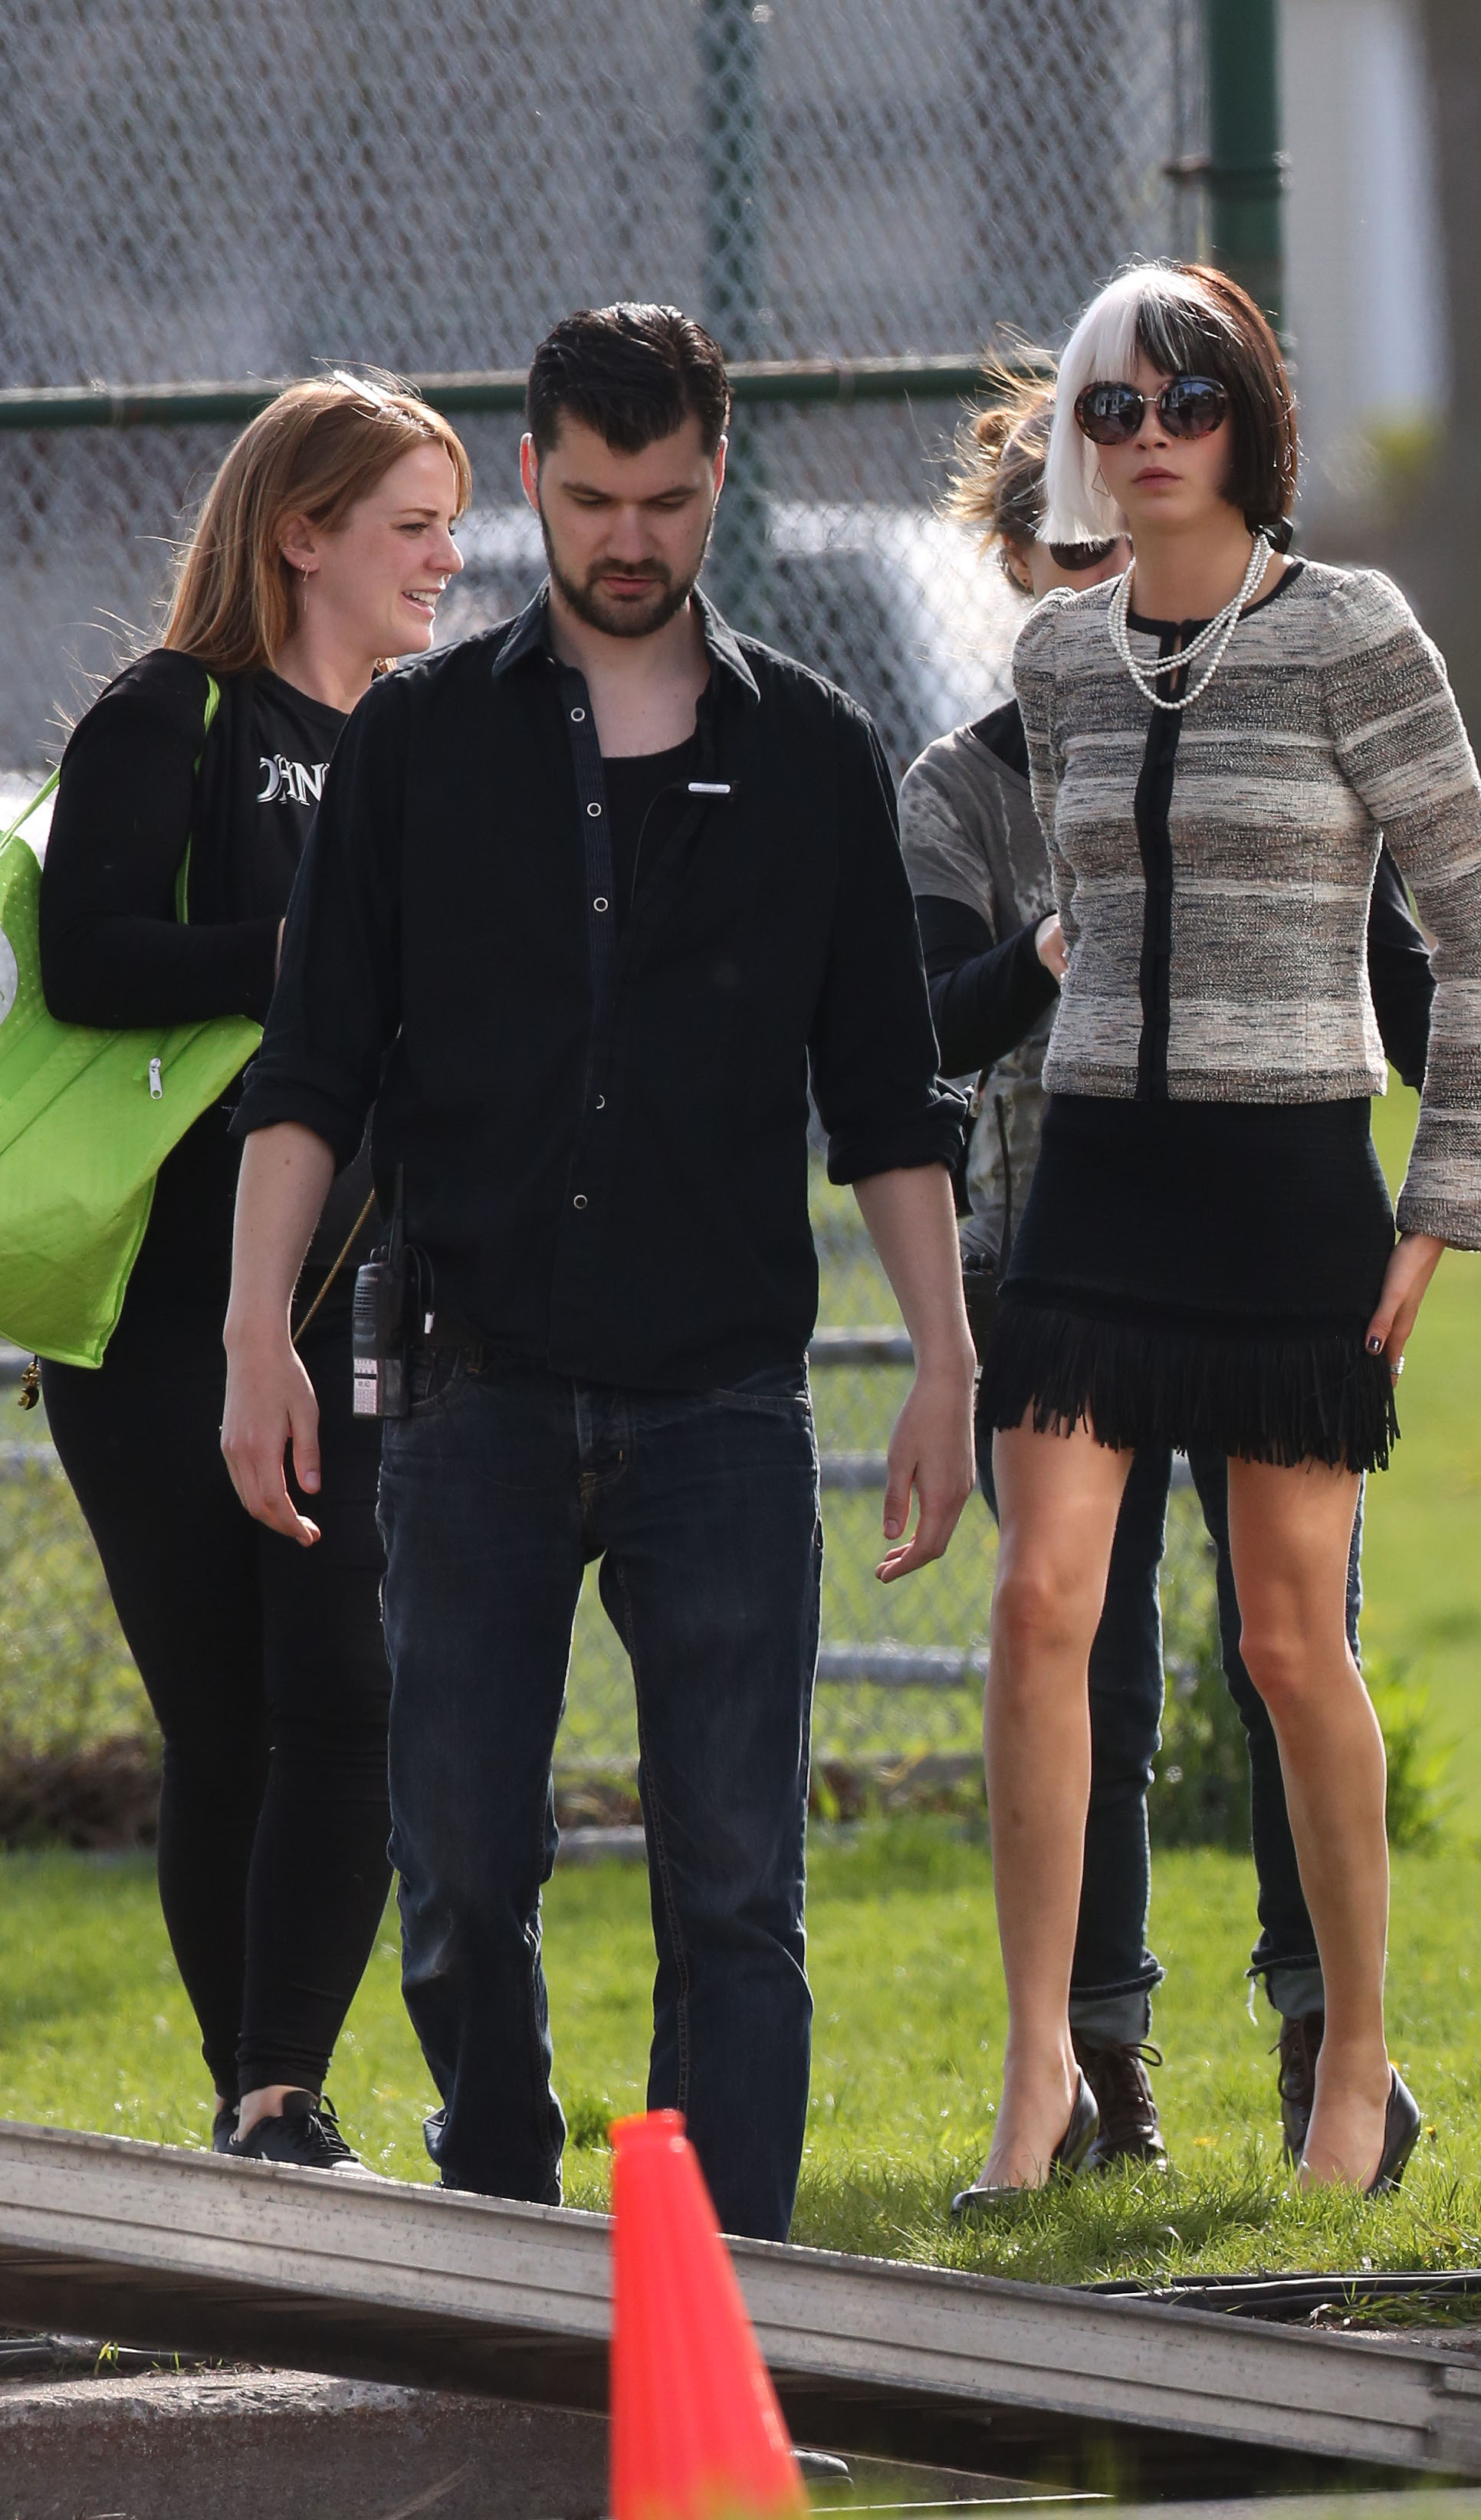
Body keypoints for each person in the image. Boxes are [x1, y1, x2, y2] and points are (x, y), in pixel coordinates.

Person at [220, 304, 973, 2243]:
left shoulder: (816, 755)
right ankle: (505, 2217)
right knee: (463, 1874)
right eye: (588, 499)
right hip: (469, 1388)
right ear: (530, 477)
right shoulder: (418, 743)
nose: (628, 539)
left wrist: (946, 1364)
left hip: (723, 1402)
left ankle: (712, 2278)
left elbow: (887, 1099)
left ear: (719, 477)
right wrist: (252, 1334)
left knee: (734, 1887)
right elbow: (309, 1070)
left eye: (665, 500)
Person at [961, 262, 1481, 2205]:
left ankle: (1356, 2065)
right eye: (1110, 408)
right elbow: (1084, 922)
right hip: (1097, 1185)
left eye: (1184, 401)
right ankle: (1039, 2068)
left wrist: (1441, 1202)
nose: (1147, 439)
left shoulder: (1356, 632)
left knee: (1289, 1643)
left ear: (1251, 422)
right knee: (1040, 1604)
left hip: (1292, 1190)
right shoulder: (1058, 660)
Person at [37, 374, 470, 2172]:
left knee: (352, 1694)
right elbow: (86, 960)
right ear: (302, 533)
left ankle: (284, 2091)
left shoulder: (430, 743)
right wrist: (299, 951)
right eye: (412, 526)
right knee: (222, 1725)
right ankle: (249, 2105)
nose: (446, 560)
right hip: (156, 1316)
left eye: (451, 527)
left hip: (361, 1299)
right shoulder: (173, 714)